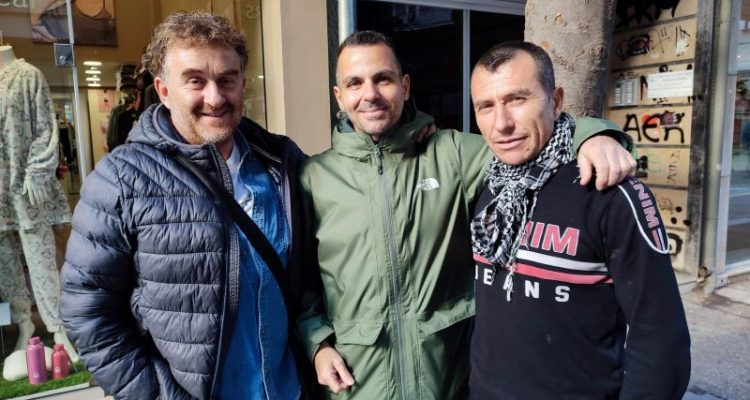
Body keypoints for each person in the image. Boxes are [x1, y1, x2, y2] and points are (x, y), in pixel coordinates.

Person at [296, 31, 636, 399]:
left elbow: (532, 141)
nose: (370, 94)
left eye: (383, 79)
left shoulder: (453, 155)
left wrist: (595, 135)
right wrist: (318, 343)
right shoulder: (314, 177)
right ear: (339, 96)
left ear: (405, 87)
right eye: (355, 83)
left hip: (448, 381)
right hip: (358, 383)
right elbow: (302, 279)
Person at [59, 12, 309, 399]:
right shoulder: (121, 180)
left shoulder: (281, 162)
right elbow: (88, 314)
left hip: (289, 389)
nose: (215, 97)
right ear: (163, 90)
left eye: (226, 79)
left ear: (242, 83)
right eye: (195, 80)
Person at [468, 41, 690, 399]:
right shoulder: (487, 184)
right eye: (486, 106)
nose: (502, 124)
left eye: (517, 99)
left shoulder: (608, 190)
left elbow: (661, 336)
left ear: (556, 101)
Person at [0, 44, 78, 366]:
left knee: (41, 261)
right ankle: (24, 323)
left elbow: (46, 127)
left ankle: (57, 329)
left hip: (25, 188)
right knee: (5, 264)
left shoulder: (28, 75)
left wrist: (38, 170)